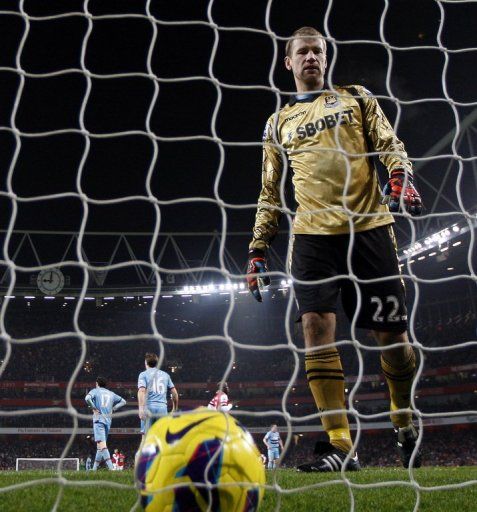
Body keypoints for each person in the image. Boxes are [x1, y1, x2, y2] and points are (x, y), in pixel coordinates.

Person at [247, 26, 423, 472]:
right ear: (288, 62)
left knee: (393, 340)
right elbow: (269, 191)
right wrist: (257, 248)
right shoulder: (277, 123)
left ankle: (403, 418)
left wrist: (400, 177)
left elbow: (390, 145)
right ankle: (341, 445)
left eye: (318, 51)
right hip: (310, 237)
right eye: (302, 52)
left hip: (368, 227)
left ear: (326, 58)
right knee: (314, 328)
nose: (311, 57)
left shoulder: (356, 97)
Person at [85, 376, 126, 471]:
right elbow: (124, 401)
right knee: (100, 445)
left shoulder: (95, 391)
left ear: (97, 384)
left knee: (102, 445)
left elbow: (87, 398)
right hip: (108, 421)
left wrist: (94, 408)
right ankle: (94, 469)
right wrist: (113, 408)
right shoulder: (111, 393)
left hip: (99, 420)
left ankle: (111, 469)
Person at [138, 353, 179, 438]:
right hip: (162, 409)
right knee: (161, 438)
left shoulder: (143, 374)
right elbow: (174, 393)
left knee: (146, 438)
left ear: (146, 362)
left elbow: (142, 391)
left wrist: (141, 408)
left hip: (149, 408)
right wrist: (175, 408)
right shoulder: (165, 375)